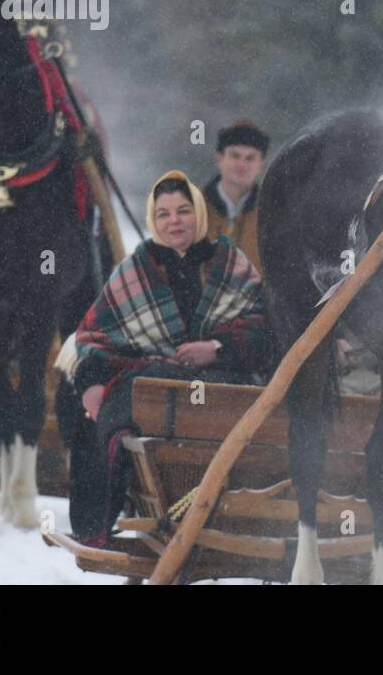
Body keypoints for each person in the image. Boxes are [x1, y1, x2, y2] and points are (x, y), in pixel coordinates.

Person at [65, 169, 271, 544]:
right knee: (110, 419)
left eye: (183, 211)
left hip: (221, 386)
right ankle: (99, 526)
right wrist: (91, 385)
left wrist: (216, 349)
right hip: (152, 384)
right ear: (153, 220)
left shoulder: (230, 262)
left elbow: (263, 328)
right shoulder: (134, 269)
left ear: (199, 215)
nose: (174, 221)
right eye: (164, 214)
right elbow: (94, 337)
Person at [202, 120, 269, 271]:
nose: (241, 165)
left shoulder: (271, 214)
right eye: (235, 155)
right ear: (219, 158)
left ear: (261, 164)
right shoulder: (190, 208)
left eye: (250, 158)